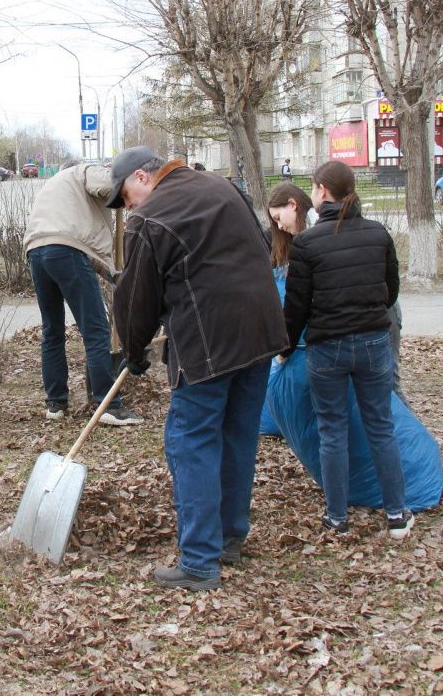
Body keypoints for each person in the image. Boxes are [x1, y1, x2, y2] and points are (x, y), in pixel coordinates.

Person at [110, 146, 288, 592]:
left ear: (142, 177)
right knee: (236, 436)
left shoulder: (148, 219)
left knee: (190, 441)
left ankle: (199, 561)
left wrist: (131, 350)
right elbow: (262, 247)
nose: (127, 206)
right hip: (261, 329)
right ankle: (228, 538)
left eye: (125, 195)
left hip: (209, 344)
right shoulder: (221, 186)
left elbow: (136, 299)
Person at [283, 160, 412, 540]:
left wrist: (285, 347)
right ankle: (396, 516)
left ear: (322, 191)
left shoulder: (307, 243)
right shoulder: (378, 234)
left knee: (332, 432)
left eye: (314, 188)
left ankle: (337, 518)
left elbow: (296, 307)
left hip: (327, 349)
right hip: (374, 343)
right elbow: (391, 289)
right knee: (381, 427)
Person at [23, 160, 141, 426]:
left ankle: (56, 403)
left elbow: (76, 247)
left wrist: (111, 273)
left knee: (52, 330)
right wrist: (123, 182)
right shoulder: (83, 170)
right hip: (65, 250)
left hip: (36, 252)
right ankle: (108, 404)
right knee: (96, 329)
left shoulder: (54, 188)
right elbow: (110, 184)